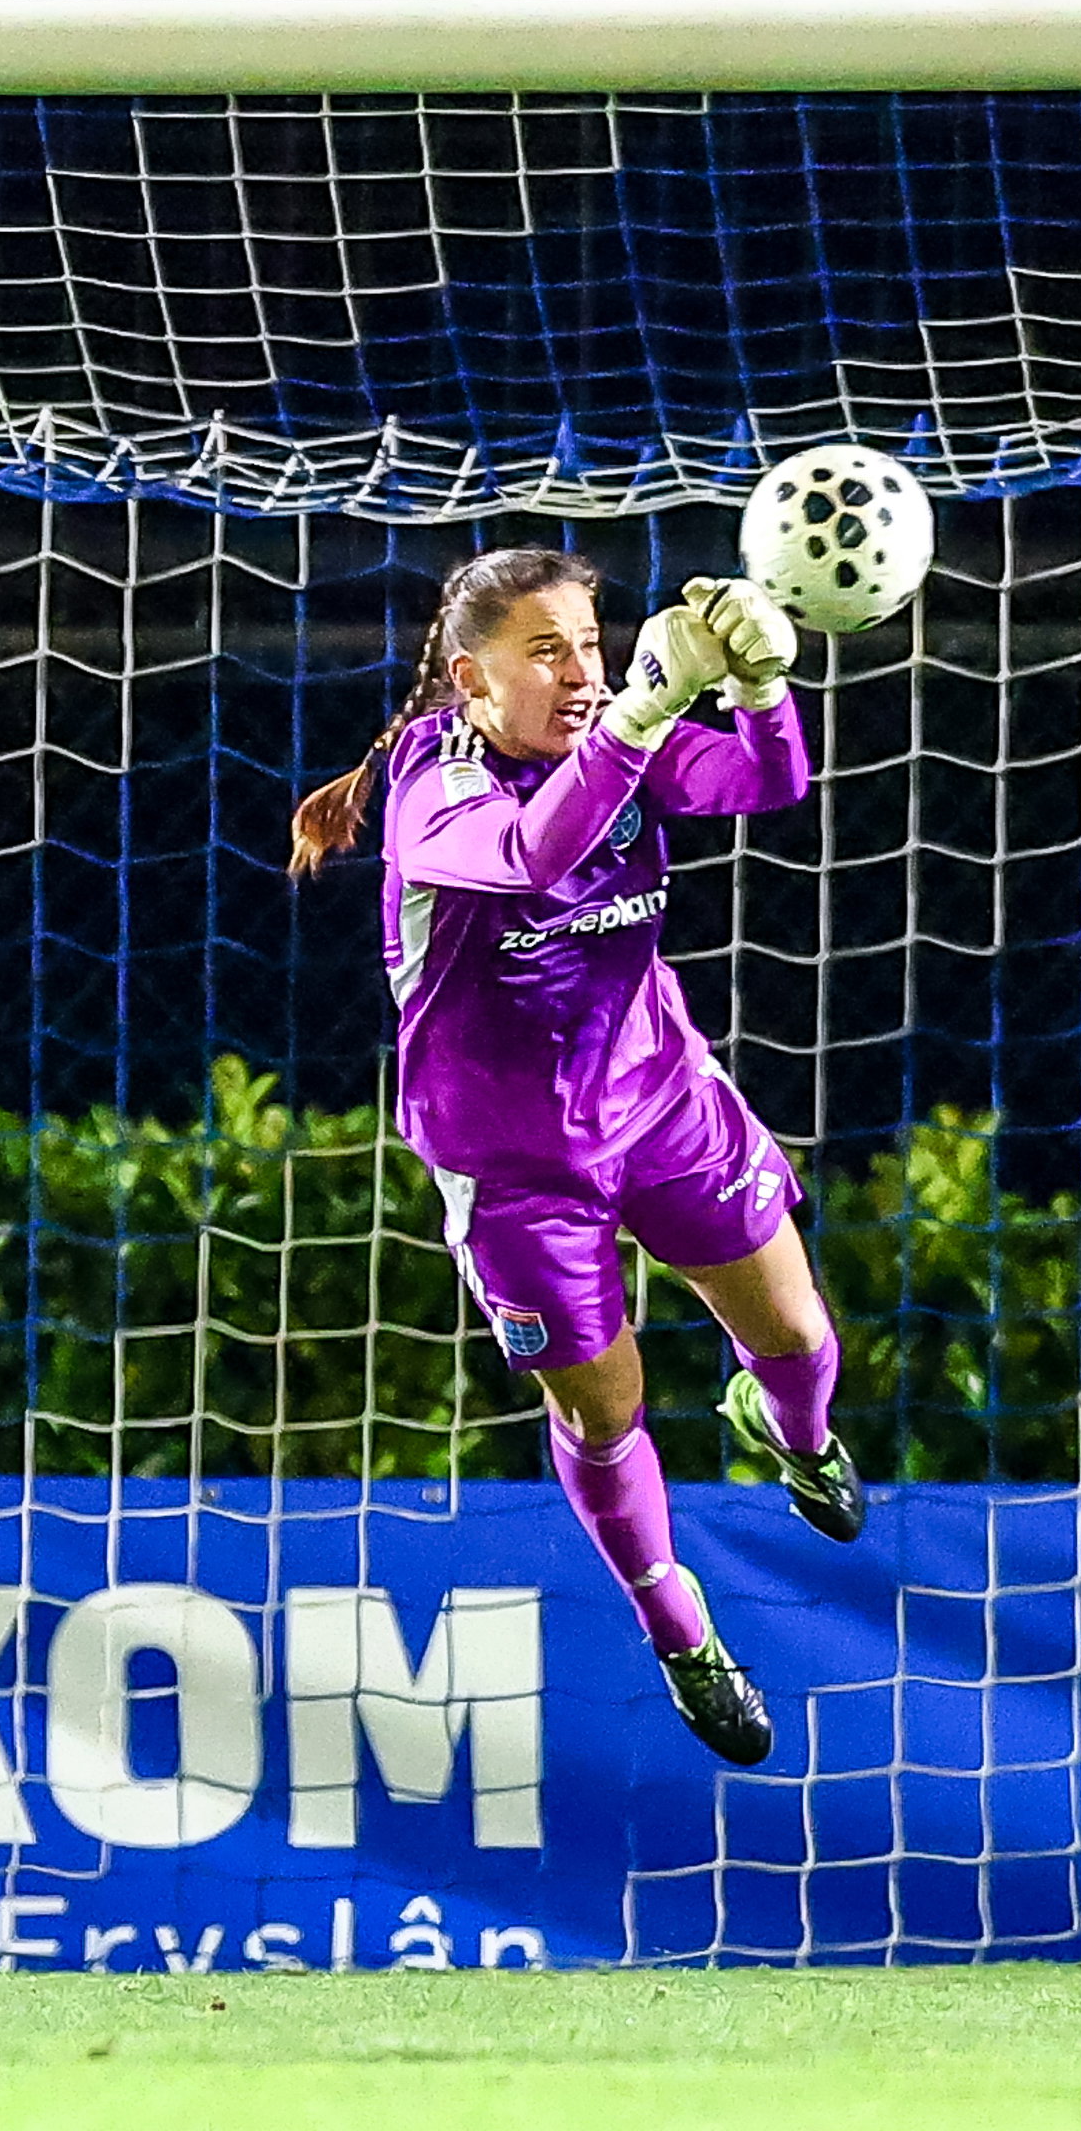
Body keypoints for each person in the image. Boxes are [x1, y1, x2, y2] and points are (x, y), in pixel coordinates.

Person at [290, 551, 860, 1766]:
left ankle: (794, 1430)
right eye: (545, 650)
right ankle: (679, 1629)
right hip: (514, 1167)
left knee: (801, 1339)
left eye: (591, 644)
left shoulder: (612, 734)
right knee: (607, 1413)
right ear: (470, 678)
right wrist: (640, 713)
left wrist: (762, 688)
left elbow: (768, 779)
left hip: (660, 1098)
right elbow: (533, 854)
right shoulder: (434, 786)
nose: (581, 671)